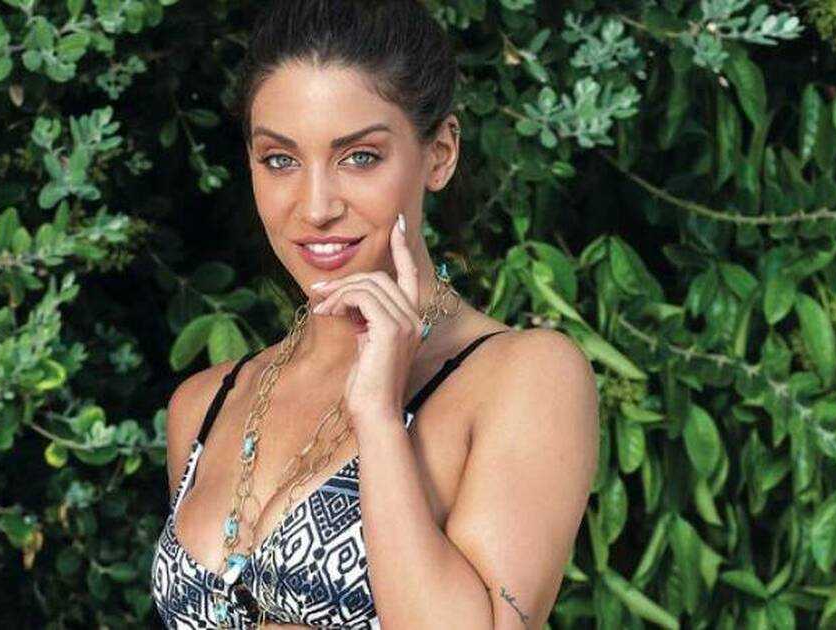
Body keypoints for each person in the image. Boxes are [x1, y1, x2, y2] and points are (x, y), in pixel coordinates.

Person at [150, 1, 600, 628]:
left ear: (439, 154)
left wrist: (380, 420)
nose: (316, 207)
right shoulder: (205, 404)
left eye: (359, 156)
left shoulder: (523, 378)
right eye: (280, 159)